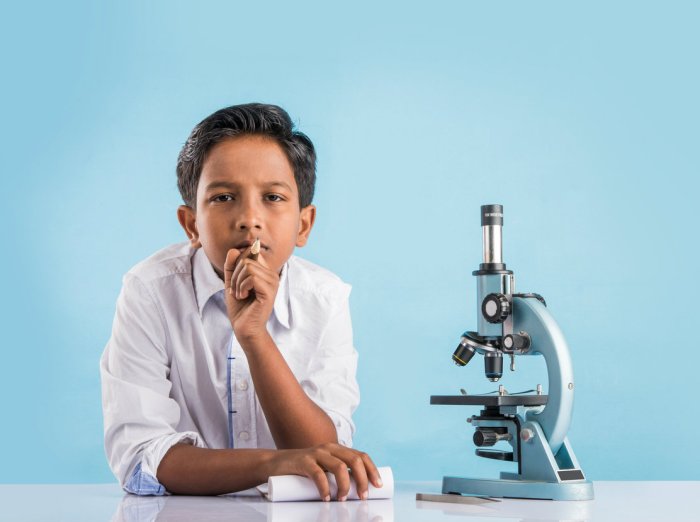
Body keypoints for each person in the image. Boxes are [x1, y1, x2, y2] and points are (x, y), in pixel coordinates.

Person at [100, 103, 381, 500]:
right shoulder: (150, 290)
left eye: (273, 197)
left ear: (304, 224)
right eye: (224, 197)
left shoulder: (325, 297)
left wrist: (254, 336)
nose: (250, 218)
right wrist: (270, 465)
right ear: (191, 224)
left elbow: (325, 451)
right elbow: (142, 460)